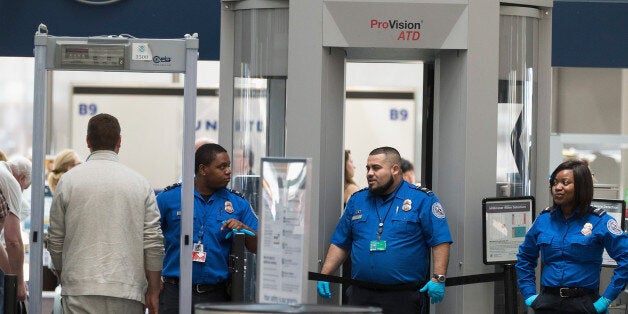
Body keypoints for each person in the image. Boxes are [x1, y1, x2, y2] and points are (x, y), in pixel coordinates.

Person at [47, 113, 165, 313]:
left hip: (79, 289)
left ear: (87, 141)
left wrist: (65, 276)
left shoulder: (68, 182)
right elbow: (153, 242)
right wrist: (153, 291)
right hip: (127, 291)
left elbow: (55, 240)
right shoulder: (139, 184)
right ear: (119, 141)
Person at [317, 146, 453, 314]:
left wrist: (438, 278)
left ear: (395, 169)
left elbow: (440, 239)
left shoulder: (422, 199)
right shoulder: (357, 200)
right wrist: (325, 274)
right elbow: (341, 242)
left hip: (402, 297)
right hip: (360, 294)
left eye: (376, 168)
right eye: (368, 168)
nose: (369, 173)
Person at [516, 159, 628, 313]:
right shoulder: (543, 220)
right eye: (555, 183)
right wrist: (529, 294)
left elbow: (626, 258)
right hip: (548, 302)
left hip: (585, 303)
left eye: (565, 182)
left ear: (581, 187)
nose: (557, 187)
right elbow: (525, 257)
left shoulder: (600, 221)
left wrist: (606, 299)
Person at [157, 143, 258, 313]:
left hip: (216, 295)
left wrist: (243, 228)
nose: (228, 171)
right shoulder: (169, 198)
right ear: (203, 169)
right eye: (222, 167)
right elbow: (147, 240)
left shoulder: (237, 203)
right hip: (174, 293)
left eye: (229, 166)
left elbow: (258, 246)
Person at [0, 156, 31, 301]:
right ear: (21, 178)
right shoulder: (10, 181)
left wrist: (12, 276)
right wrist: (18, 285)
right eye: (24, 189)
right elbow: (13, 240)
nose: (21, 193)